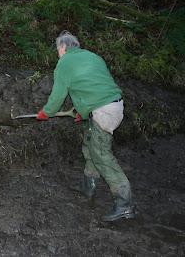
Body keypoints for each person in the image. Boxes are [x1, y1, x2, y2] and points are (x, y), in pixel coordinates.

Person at [37, 31, 135, 222]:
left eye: (58, 49)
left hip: (103, 111)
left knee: (101, 155)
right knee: (90, 145)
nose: (58, 53)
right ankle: (87, 186)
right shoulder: (92, 57)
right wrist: (83, 111)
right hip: (114, 106)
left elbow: (58, 96)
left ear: (63, 47)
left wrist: (46, 112)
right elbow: (93, 86)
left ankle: (125, 205)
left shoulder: (65, 62)